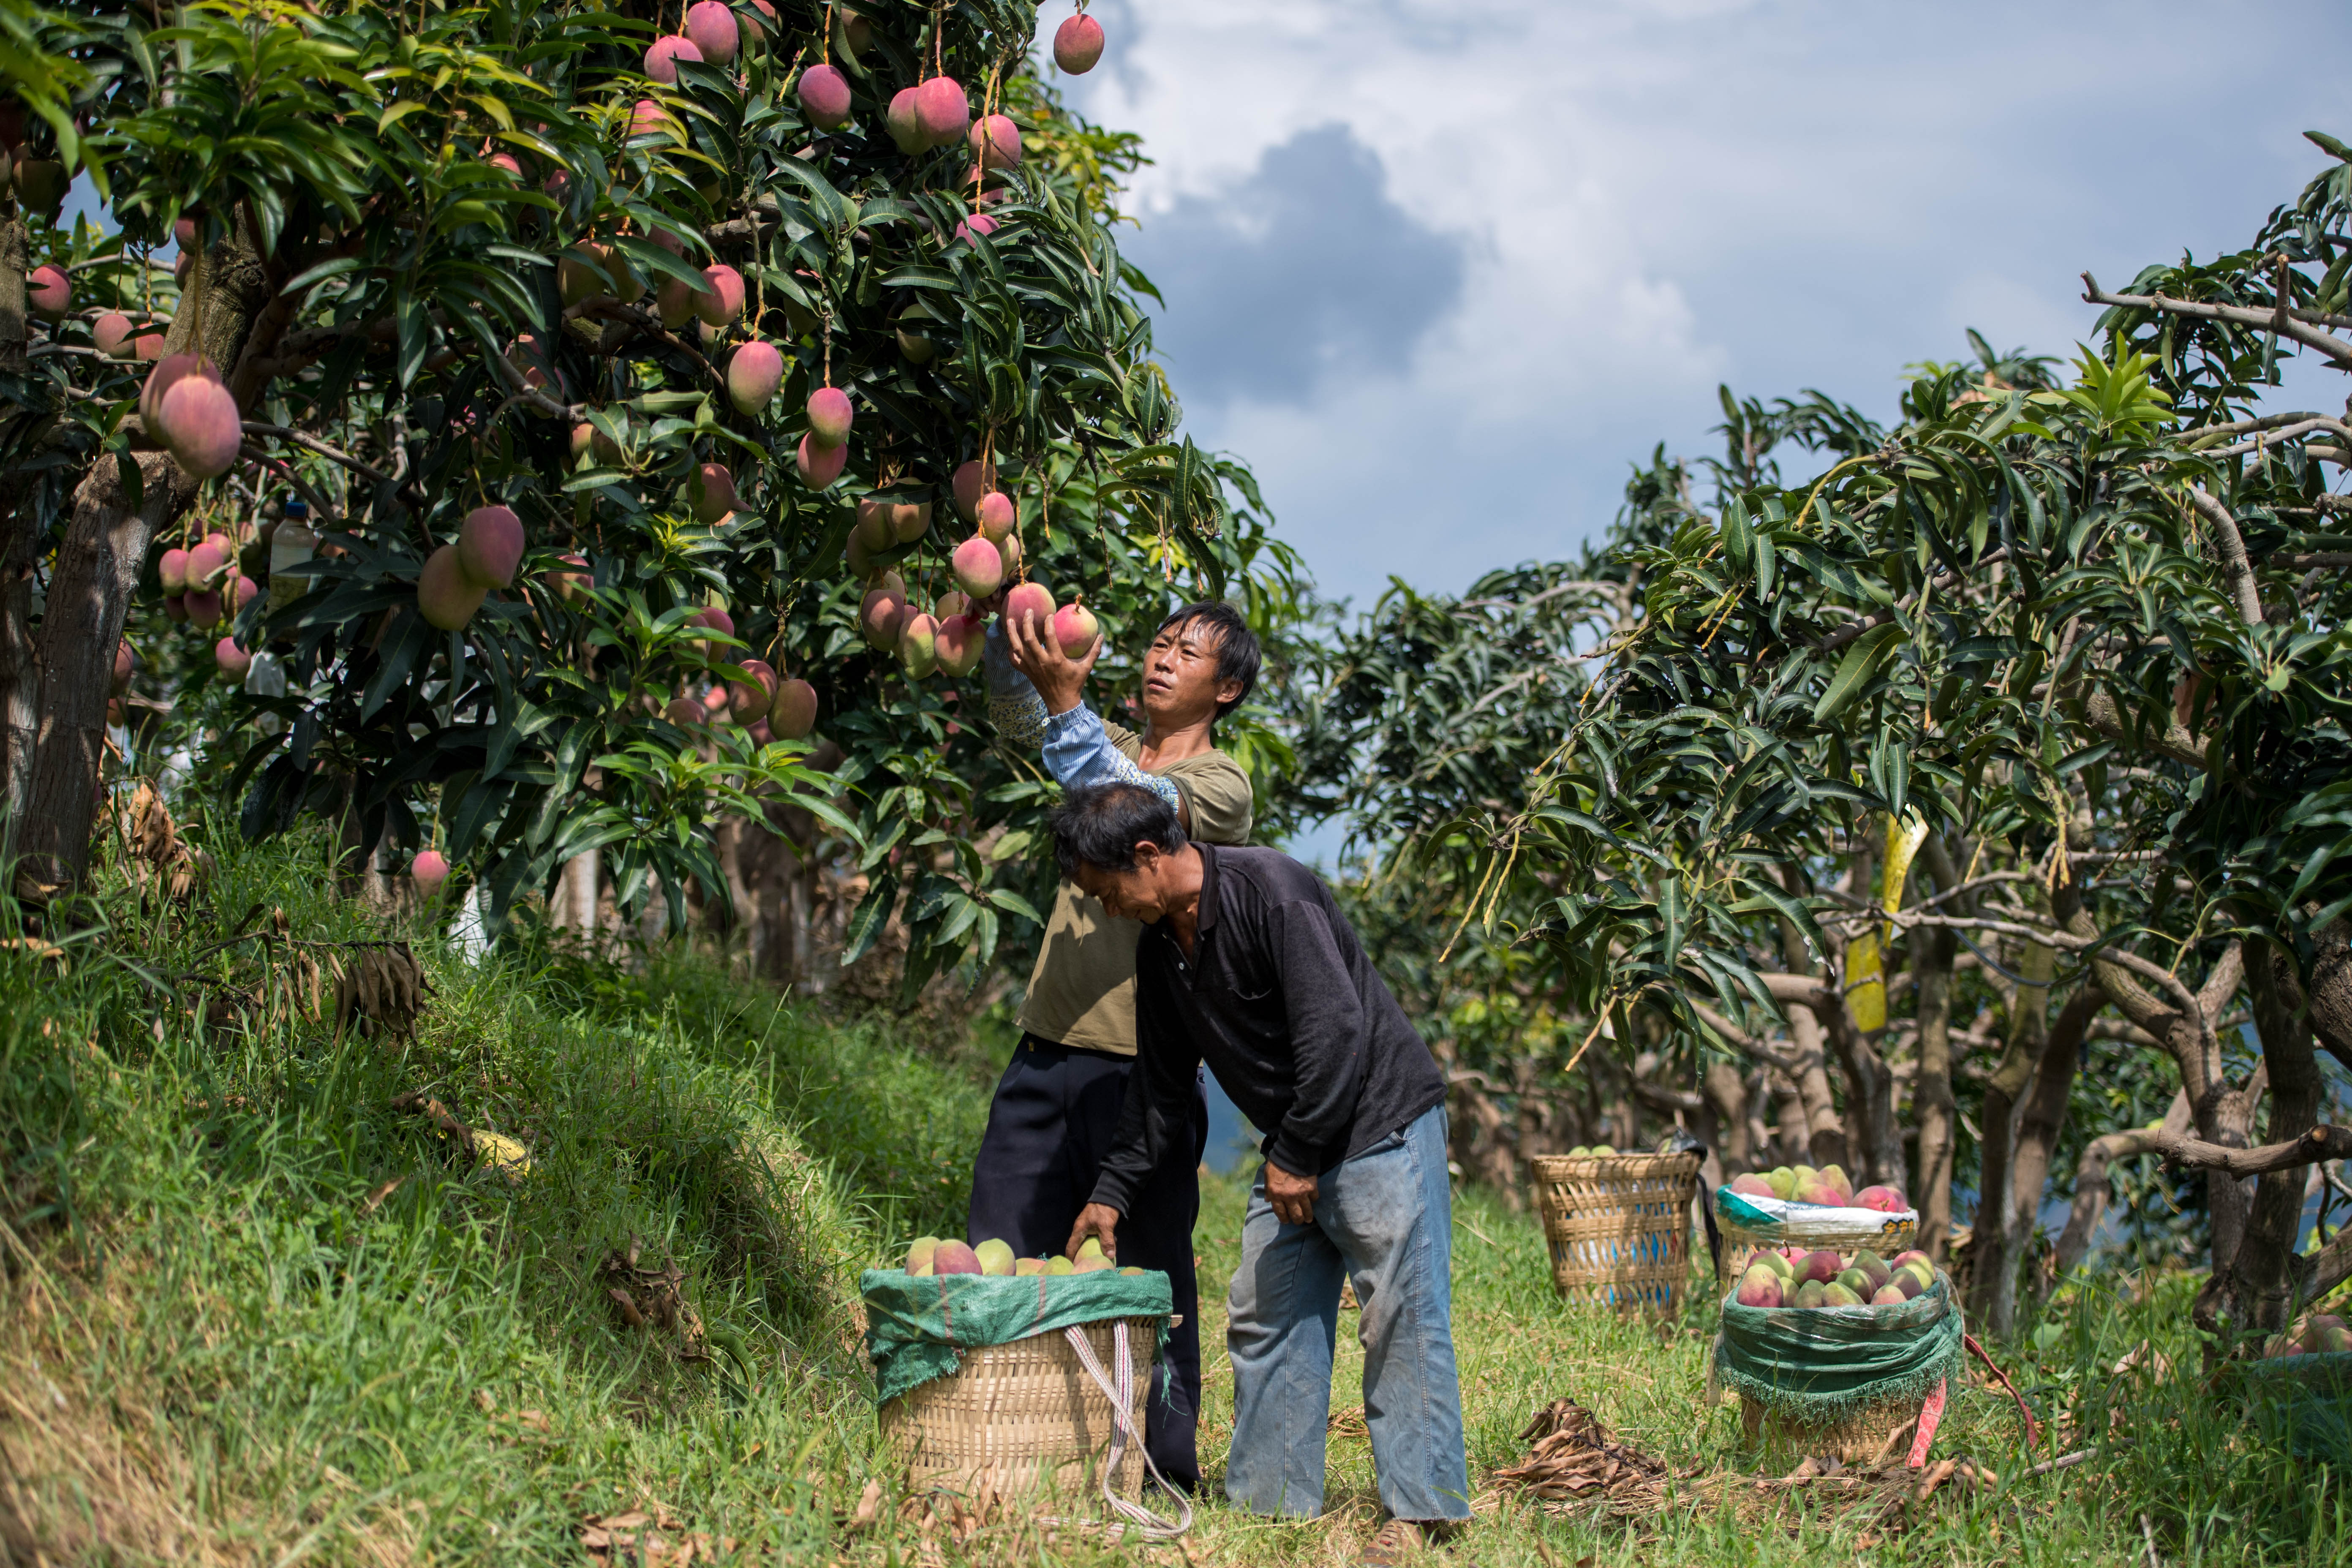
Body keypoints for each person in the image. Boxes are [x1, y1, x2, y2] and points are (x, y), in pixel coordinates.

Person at [1055, 782, 1470, 1564]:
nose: (1107, 909)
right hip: (1298, 1147)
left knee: (1400, 1316)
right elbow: (1162, 1084)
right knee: (1264, 1312)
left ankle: (1421, 1514)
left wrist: (1296, 1154)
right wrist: (1111, 1193)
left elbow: (1338, 1027)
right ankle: (1269, 1503)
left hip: (1379, 1125)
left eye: (1107, 891)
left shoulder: (1270, 890)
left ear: (1147, 856)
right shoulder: (1161, 947)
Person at [964, 599, 1262, 1492]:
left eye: (1190, 652)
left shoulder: (1220, 783)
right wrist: (1003, 620)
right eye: (1160, 643)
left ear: (1230, 686)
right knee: (1004, 1246)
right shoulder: (1106, 738)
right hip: (1044, 1051)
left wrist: (1064, 702)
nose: (1164, 658)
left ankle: (1162, 1466)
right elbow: (1021, 717)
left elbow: (1112, 782)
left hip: (1147, 1071)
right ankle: (993, 1436)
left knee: (1150, 1274)